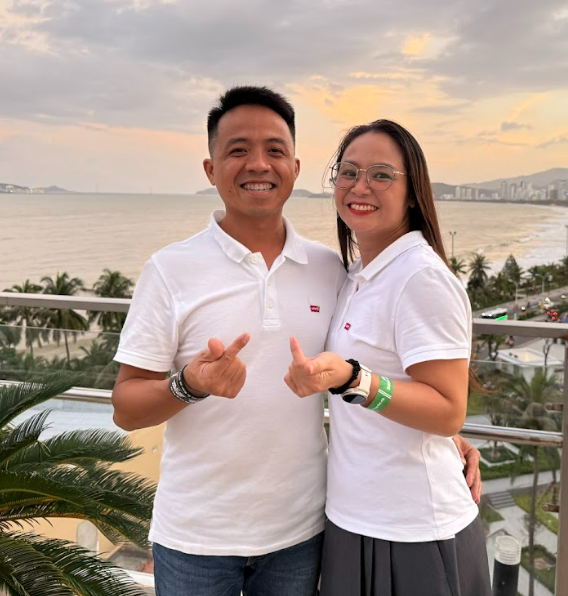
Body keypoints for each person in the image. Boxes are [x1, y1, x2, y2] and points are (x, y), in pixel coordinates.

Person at [111, 87, 483, 596]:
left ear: (295, 167)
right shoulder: (170, 270)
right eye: (238, 150)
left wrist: (445, 436)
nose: (258, 164)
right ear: (210, 169)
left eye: (275, 150)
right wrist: (189, 385)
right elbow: (126, 409)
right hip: (197, 534)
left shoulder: (330, 269)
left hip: (301, 533)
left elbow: (400, 377)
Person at [285, 120, 492, 596]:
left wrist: (354, 380)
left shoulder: (420, 277)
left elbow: (448, 409)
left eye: (381, 175)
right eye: (348, 172)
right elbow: (427, 402)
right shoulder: (360, 275)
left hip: (414, 528)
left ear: (413, 192)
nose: (360, 187)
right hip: (353, 517)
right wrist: (449, 438)